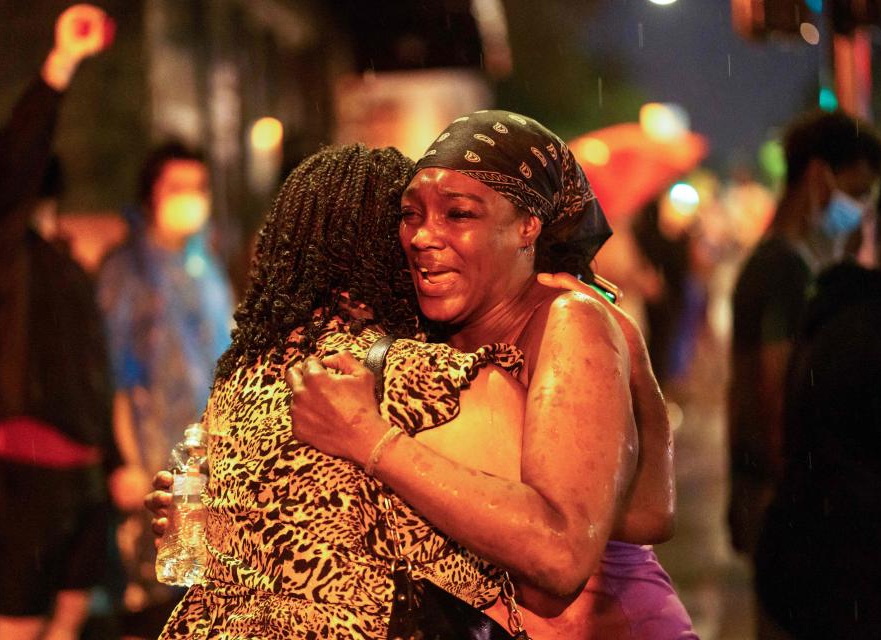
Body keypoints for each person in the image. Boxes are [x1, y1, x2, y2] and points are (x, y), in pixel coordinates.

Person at [285, 110, 694, 639]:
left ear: (528, 225)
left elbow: (570, 551)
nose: (423, 237)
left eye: (458, 214)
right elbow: (639, 513)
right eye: (411, 214)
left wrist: (372, 441)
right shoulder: (427, 327)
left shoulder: (569, 319)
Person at [0, 5, 128, 639]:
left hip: (80, 480)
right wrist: (59, 67)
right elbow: (16, 161)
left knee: (67, 626)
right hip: (24, 478)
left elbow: (94, 368)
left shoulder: (59, 261)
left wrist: (112, 463)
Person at [726, 110, 881, 557]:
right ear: (819, 176)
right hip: (779, 499)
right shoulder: (785, 268)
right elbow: (778, 393)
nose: (858, 214)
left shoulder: (771, 259)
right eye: (856, 194)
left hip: (763, 492)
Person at [97, 140, 235, 637]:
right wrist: (125, 463)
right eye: (177, 187)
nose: (191, 199)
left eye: (198, 187)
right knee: (156, 611)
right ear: (151, 194)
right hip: (152, 470)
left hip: (214, 468)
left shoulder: (205, 266)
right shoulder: (127, 271)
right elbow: (114, 377)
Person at [752, 164, 881, 639]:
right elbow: (769, 402)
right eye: (857, 191)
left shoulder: (835, 313)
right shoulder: (791, 273)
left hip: (814, 584)